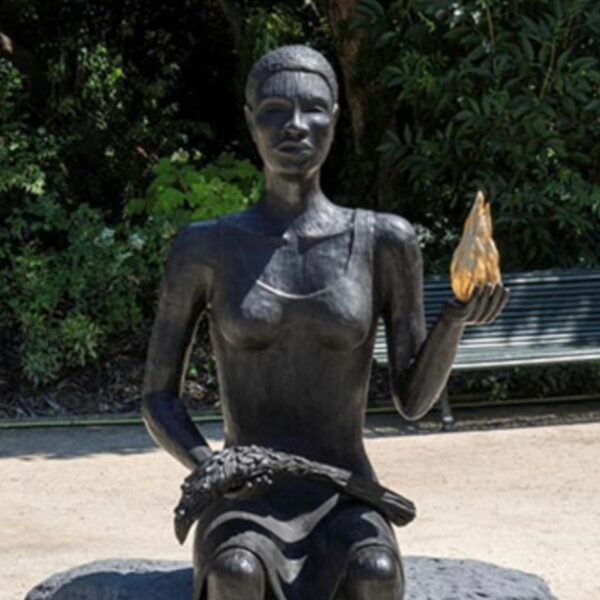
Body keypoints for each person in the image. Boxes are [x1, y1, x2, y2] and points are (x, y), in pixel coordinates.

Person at [142, 45, 508, 600]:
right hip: (245, 500)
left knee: (374, 572)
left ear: (335, 117)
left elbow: (413, 400)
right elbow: (157, 396)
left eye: (312, 108)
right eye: (274, 110)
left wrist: (453, 321)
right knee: (236, 574)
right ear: (250, 120)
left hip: (345, 493)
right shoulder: (206, 248)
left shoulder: (384, 240)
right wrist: (211, 467)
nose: (295, 125)